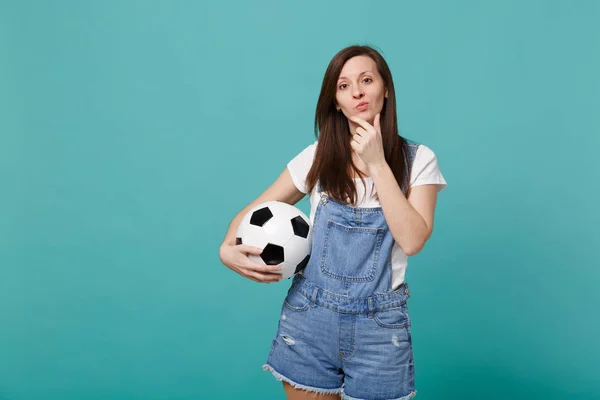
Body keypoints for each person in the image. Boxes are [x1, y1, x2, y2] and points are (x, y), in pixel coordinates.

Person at [219, 45, 447, 400]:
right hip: (310, 319)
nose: (356, 91)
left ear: (385, 89)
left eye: (366, 80)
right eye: (343, 86)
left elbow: (414, 239)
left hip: (379, 328)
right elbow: (256, 209)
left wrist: (377, 164)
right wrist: (225, 249)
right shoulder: (318, 157)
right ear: (336, 102)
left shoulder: (418, 160)